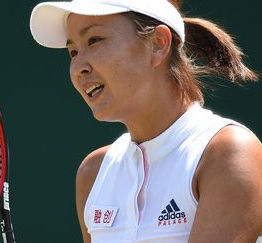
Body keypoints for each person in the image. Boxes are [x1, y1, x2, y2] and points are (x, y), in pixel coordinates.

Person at [29, 0, 262, 242]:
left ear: (158, 44)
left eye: (94, 40)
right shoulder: (93, 172)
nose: (78, 67)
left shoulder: (228, 152)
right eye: (73, 52)